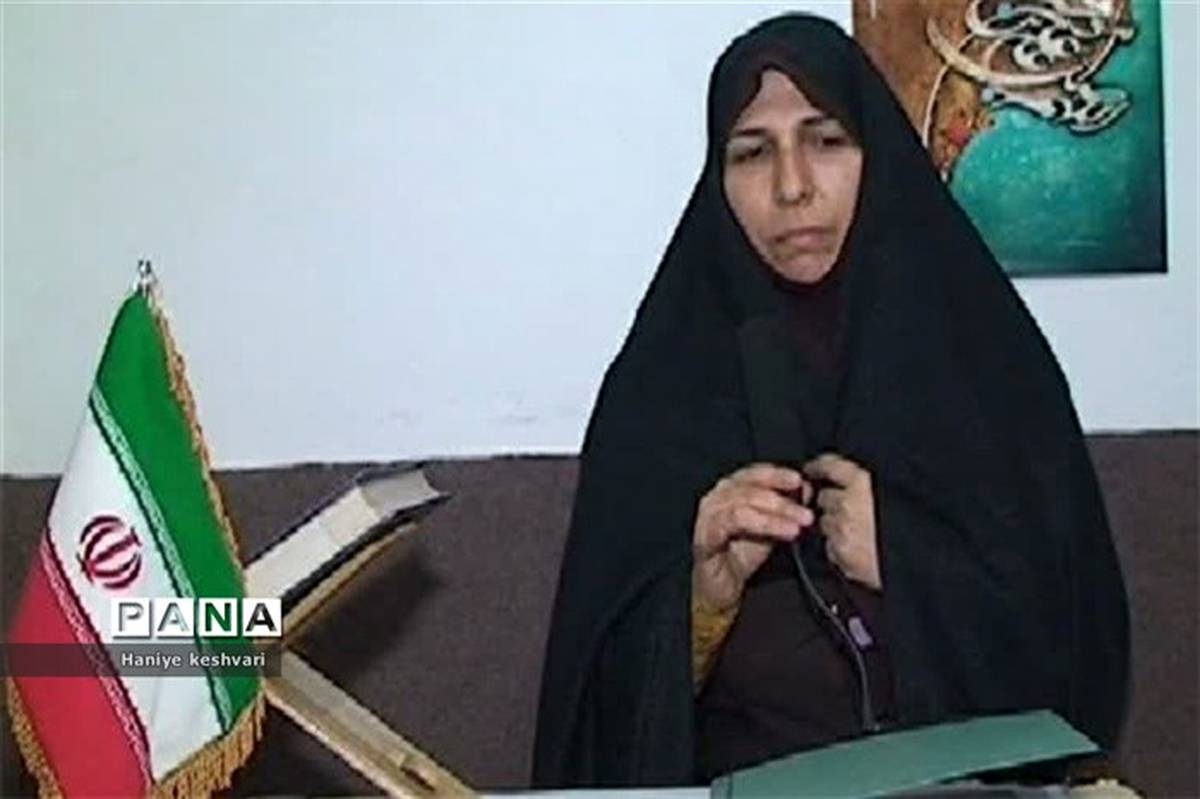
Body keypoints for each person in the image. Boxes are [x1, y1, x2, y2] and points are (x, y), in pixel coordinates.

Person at [533, 12, 1129, 789]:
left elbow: (1078, 662)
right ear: (717, 181)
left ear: (876, 155)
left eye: (825, 140)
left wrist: (907, 562)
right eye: (753, 152)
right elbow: (588, 725)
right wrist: (700, 600)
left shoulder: (986, 366)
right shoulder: (663, 391)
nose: (792, 186)